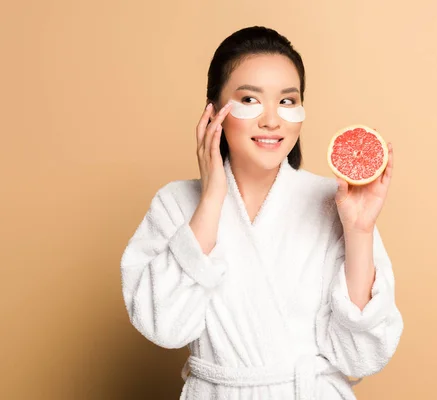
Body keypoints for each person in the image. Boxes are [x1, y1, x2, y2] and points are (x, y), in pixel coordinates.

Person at [120, 25, 404, 400]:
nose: (272, 120)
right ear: (213, 112)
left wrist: (360, 231)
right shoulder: (176, 204)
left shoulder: (333, 202)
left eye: (287, 101)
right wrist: (211, 200)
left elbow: (360, 356)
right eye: (251, 100)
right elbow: (164, 326)